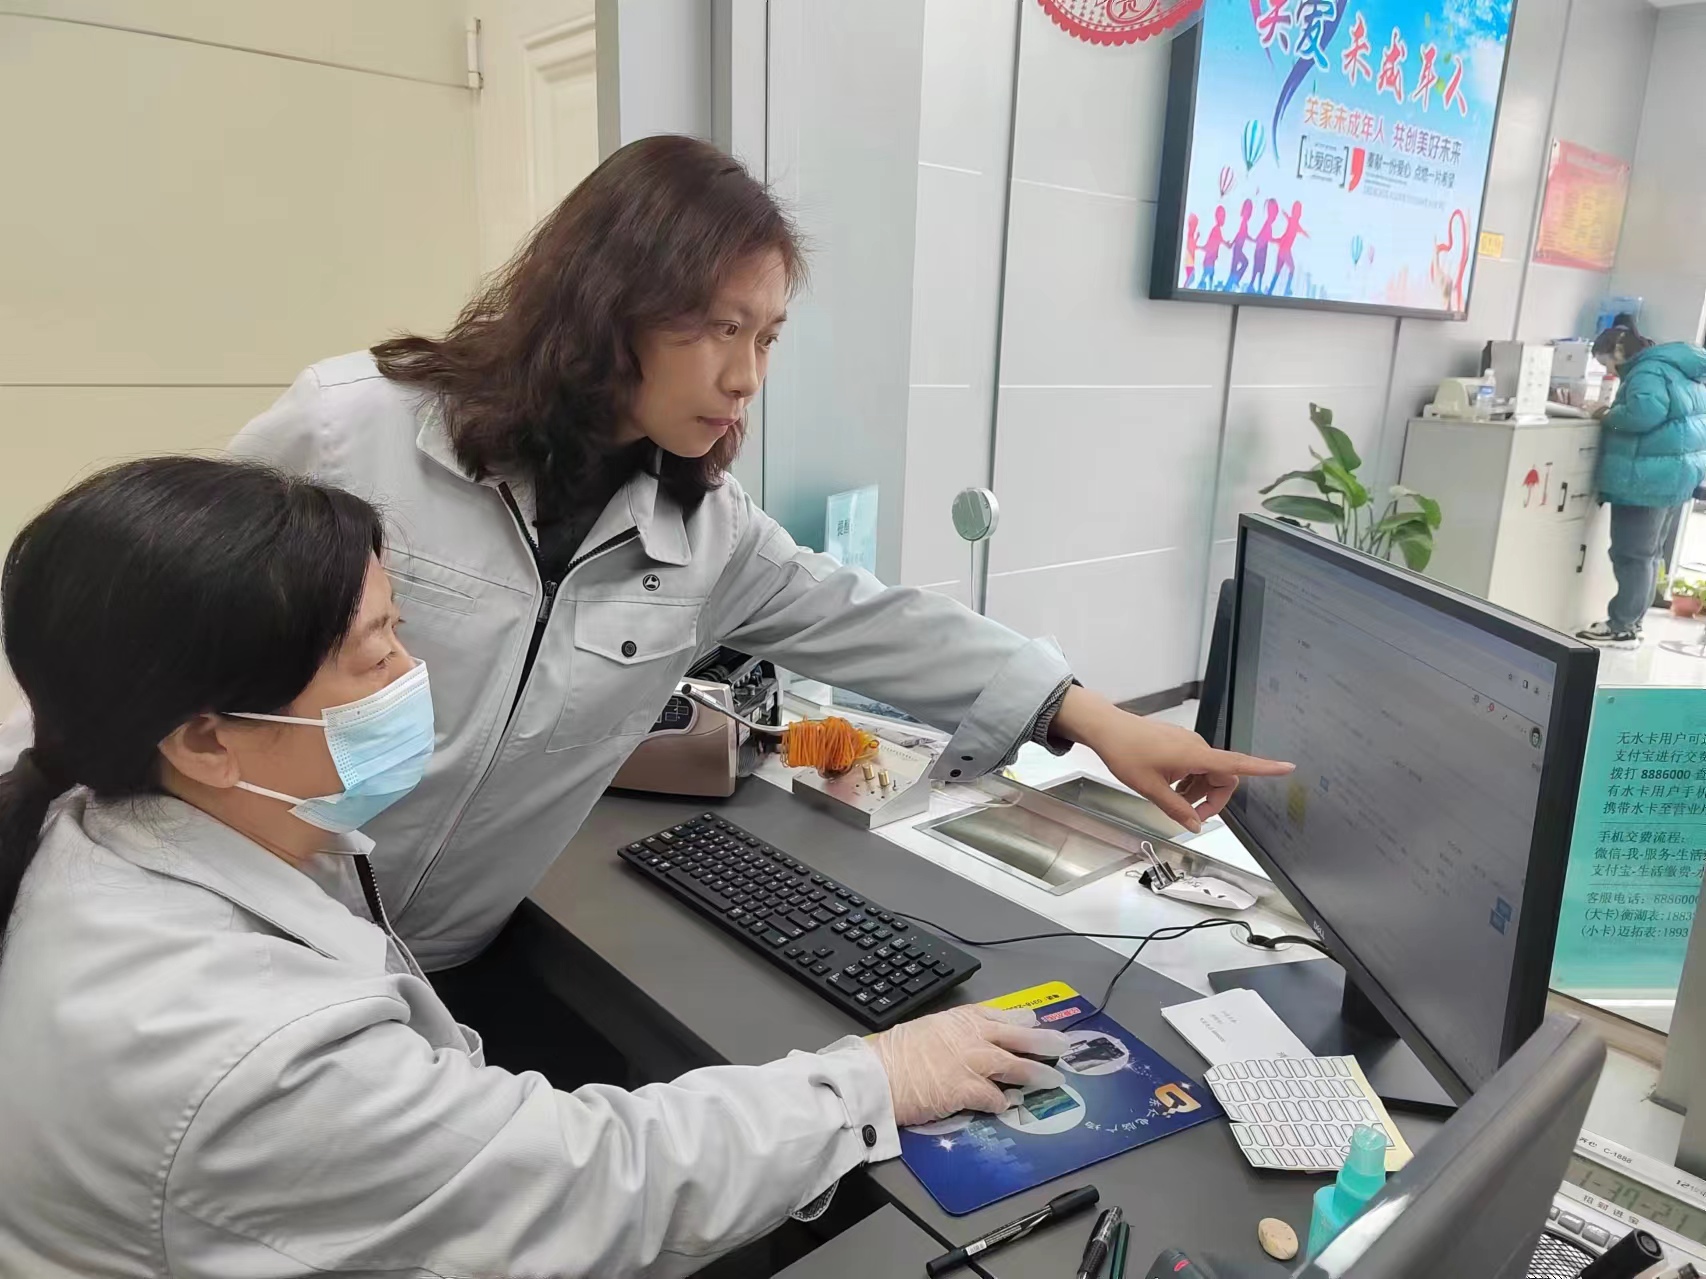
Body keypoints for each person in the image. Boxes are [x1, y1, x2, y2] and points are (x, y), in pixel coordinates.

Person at [203, 134, 1289, 1009]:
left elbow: (871, 618)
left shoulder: (702, 533)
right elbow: (157, 629)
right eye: (719, 328)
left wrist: (1094, 718)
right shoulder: (354, 434)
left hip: (441, 964)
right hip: (243, 937)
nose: (745, 376)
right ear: (604, 307)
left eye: (766, 337)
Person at [0, 457, 1072, 1277]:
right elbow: (593, 1183)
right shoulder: (237, 1048)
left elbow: (850, 612)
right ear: (204, 738)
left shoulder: (110, 821)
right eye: (375, 653)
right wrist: (872, 1079)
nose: (414, 674)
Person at [1576, 317, 1706, 646]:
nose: (1608, 370)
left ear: (1618, 351)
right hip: (1671, 476)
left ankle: (1621, 626)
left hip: (1645, 480)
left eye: (1605, 362)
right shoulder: (1671, 367)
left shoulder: (1646, 372)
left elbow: (1643, 414)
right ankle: (1632, 623)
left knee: (1632, 555)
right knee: (1648, 555)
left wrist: (1604, 414)